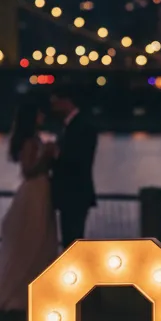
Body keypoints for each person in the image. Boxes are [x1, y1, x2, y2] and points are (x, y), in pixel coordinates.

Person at [0, 100, 58, 312]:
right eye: (39, 113)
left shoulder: (35, 139)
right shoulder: (30, 141)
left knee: (42, 239)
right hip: (35, 190)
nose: (42, 116)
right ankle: (18, 293)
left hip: (41, 190)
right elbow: (29, 170)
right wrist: (46, 156)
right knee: (32, 238)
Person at [48, 87, 98, 248]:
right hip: (74, 193)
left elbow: (77, 159)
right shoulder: (75, 125)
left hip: (74, 192)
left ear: (66, 102)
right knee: (71, 238)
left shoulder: (81, 126)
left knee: (72, 239)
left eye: (56, 102)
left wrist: (54, 157)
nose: (53, 106)